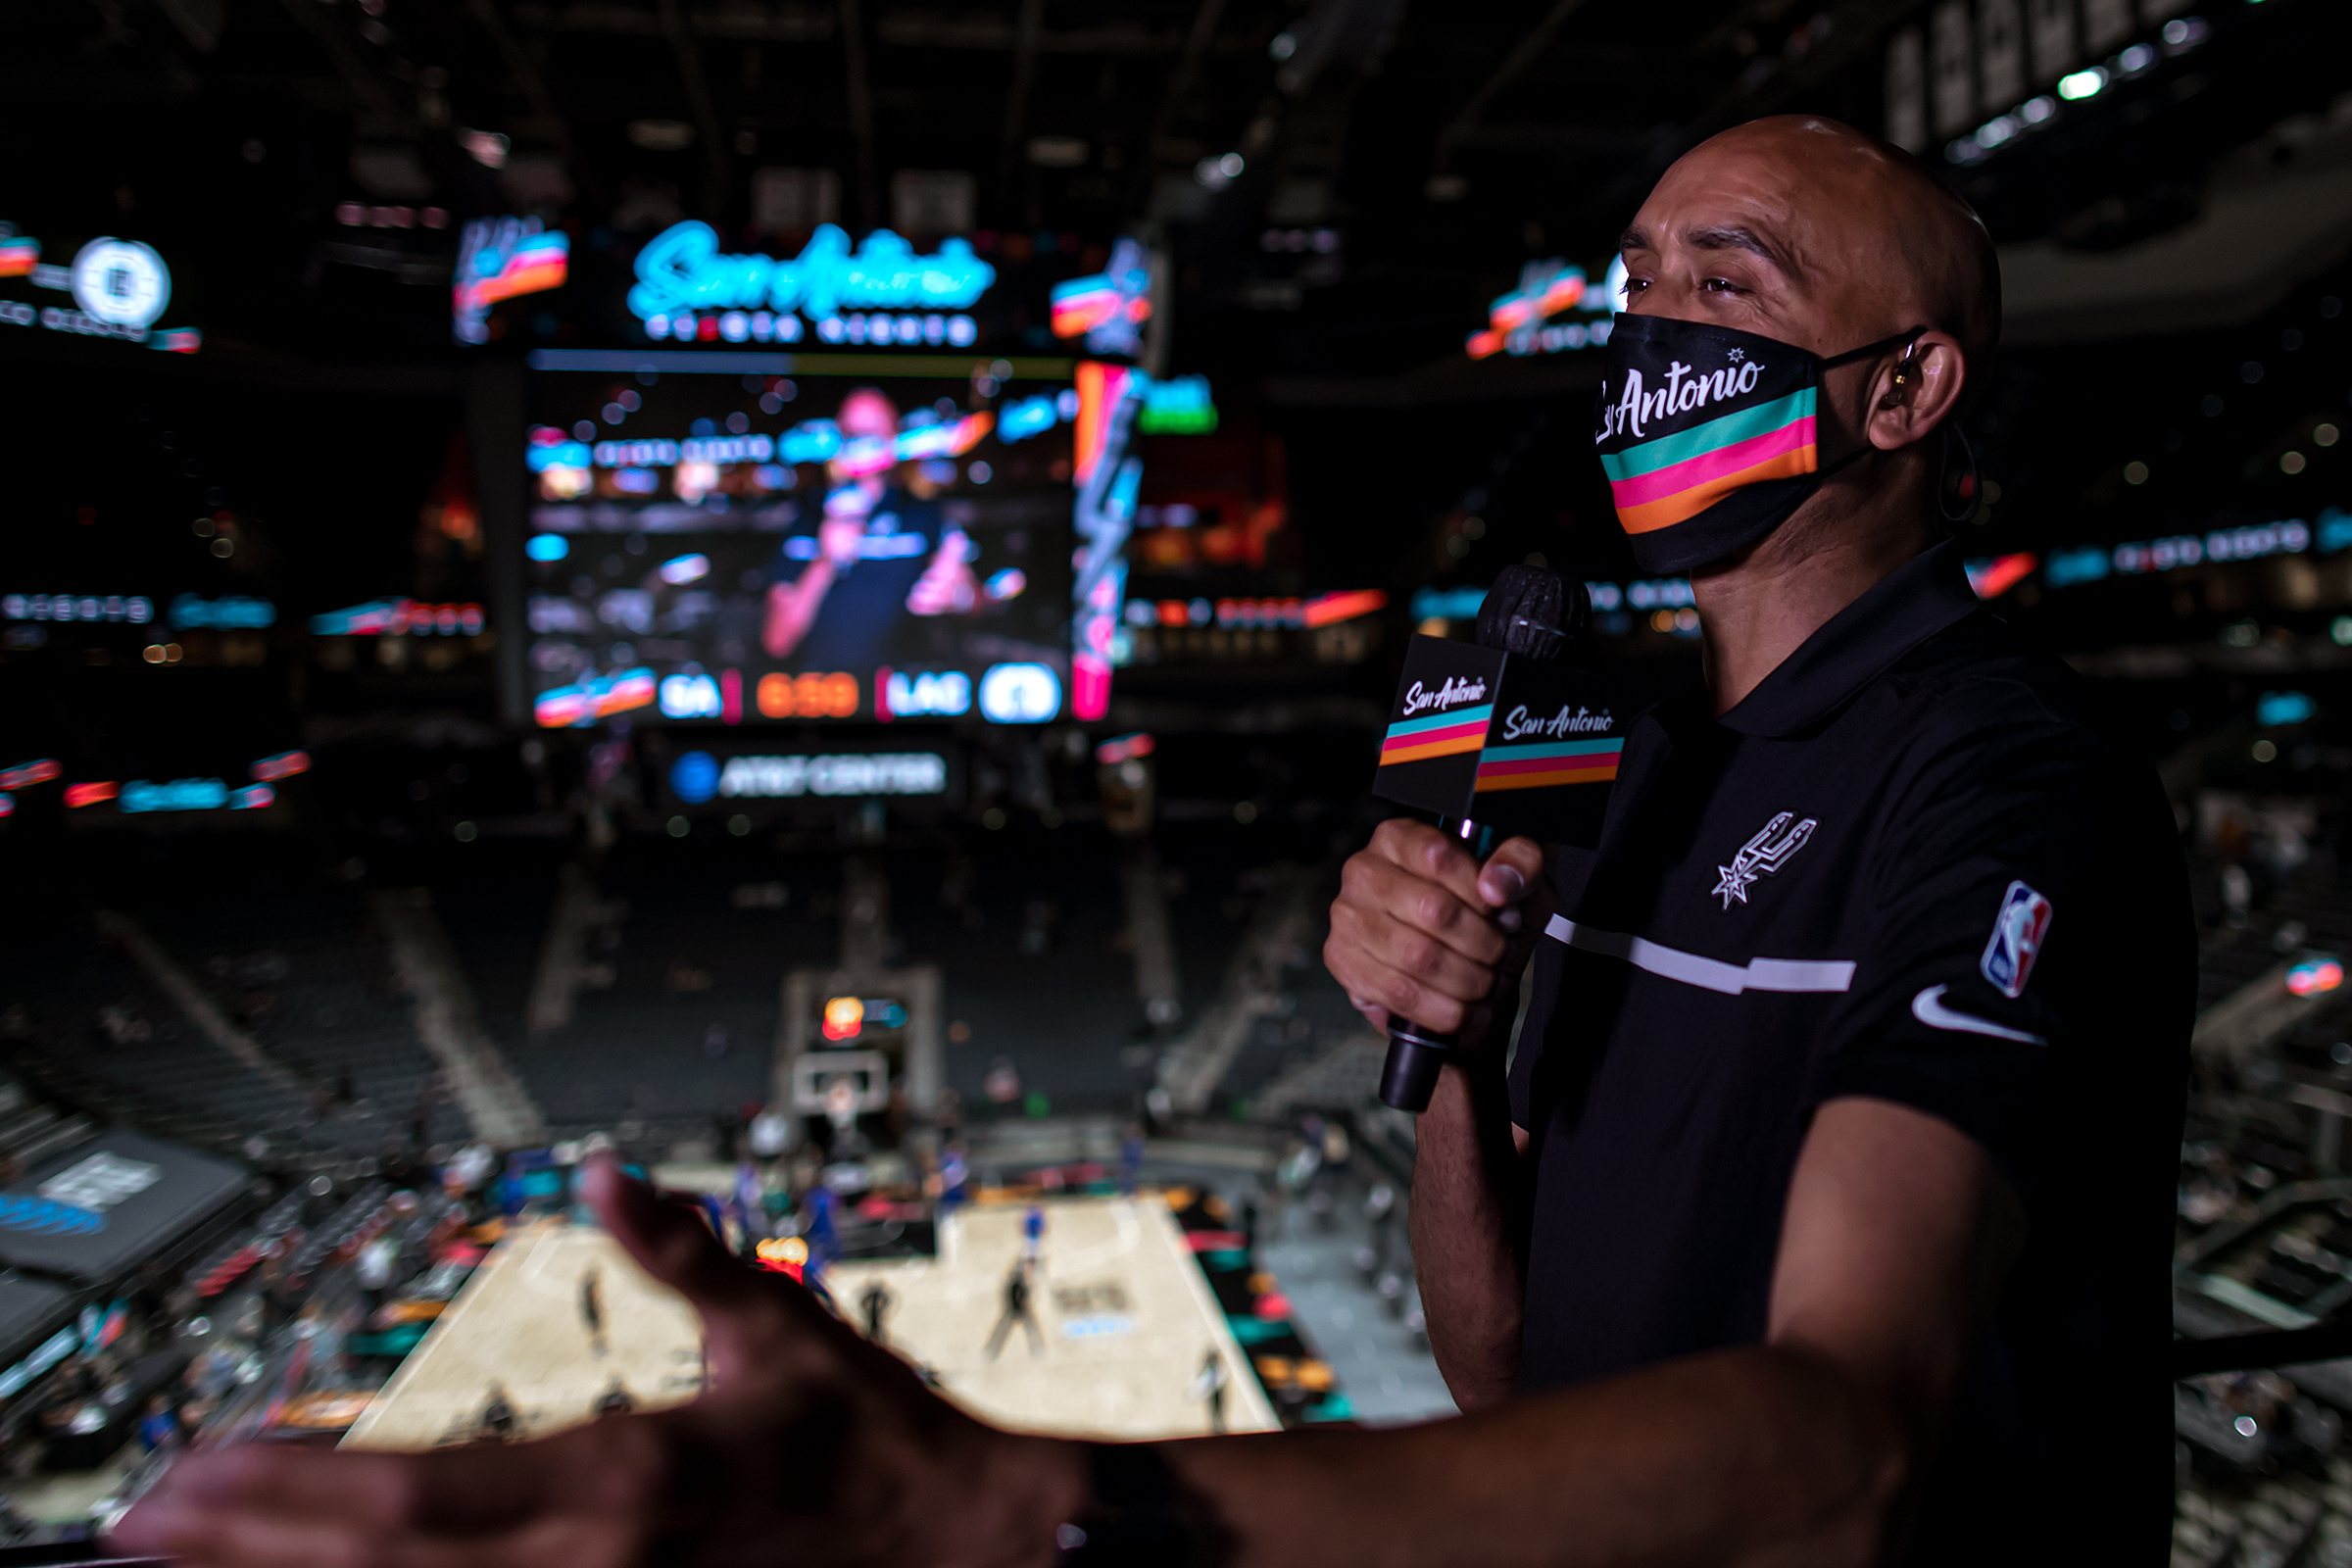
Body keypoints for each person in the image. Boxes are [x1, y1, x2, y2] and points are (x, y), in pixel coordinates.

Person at [109, 116, 2188, 1568]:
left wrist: (1037, 1504)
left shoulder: (2010, 784)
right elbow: (1507, 1375)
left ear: (1907, 387)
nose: (1648, 339)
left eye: (1723, 287)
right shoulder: (1613, 772)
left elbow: (1852, 1448)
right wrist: (1453, 1047)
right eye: (1632, 283)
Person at [760, 387, 982, 667]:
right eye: (851, 429)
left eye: (873, 427)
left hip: (905, 686)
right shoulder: (806, 518)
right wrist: (824, 563)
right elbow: (777, 640)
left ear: (893, 436)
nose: (861, 439)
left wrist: (959, 596)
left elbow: (978, 602)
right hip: (826, 688)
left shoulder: (923, 515)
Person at [982, 1258, 1043, 1361]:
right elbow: (1008, 1293)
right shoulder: (1017, 1277)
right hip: (1013, 1307)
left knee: (1030, 1328)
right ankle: (990, 1352)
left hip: (1020, 1307)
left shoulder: (1023, 1276)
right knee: (1002, 1330)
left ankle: (1037, 1350)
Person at [1189, 1348, 1229, 1436]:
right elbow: (1201, 1380)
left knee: (1219, 1408)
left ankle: (1220, 1425)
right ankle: (1213, 1425)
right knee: (1212, 1409)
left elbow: (1222, 1378)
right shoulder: (1207, 1368)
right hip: (1210, 1394)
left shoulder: (1219, 1367)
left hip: (1218, 1393)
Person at [859, 1281, 893, 1346]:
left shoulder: (877, 1295)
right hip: (872, 1314)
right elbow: (863, 1302)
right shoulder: (872, 1295)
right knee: (874, 1327)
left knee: (877, 1327)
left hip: (876, 1314)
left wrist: (881, 1308)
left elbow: (886, 1299)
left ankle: (880, 1341)